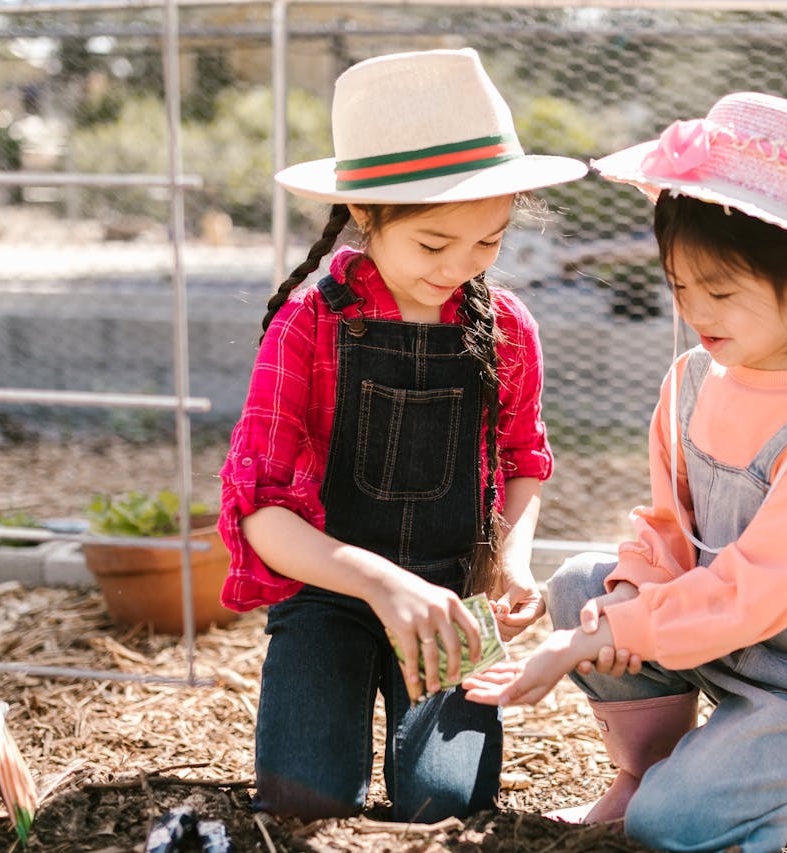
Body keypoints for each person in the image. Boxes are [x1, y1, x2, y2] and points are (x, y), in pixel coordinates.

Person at [463, 92, 787, 852]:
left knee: (672, 830)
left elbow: (747, 593)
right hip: (724, 645)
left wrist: (594, 639)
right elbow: (668, 534)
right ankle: (653, 770)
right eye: (680, 286)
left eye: (720, 290)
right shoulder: (690, 381)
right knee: (584, 584)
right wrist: (616, 610)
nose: (695, 309)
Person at [217, 48, 586, 823]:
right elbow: (261, 513)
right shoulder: (308, 325)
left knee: (446, 802)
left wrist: (509, 562)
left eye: (487, 242)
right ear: (367, 215)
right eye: (432, 244)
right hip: (331, 595)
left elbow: (524, 460)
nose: (460, 267)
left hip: (452, 598)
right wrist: (382, 584)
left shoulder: (507, 327)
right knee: (303, 802)